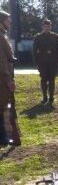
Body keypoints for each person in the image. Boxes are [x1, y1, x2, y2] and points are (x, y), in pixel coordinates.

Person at [33, 18, 58, 105]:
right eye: (45, 26)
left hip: (53, 62)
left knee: (52, 80)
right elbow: (34, 51)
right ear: (42, 27)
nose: (47, 28)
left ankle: (51, 97)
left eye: (48, 26)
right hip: (42, 62)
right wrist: (36, 63)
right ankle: (44, 97)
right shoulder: (38, 37)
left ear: (50, 27)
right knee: (43, 80)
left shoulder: (55, 36)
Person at [0, 11, 16, 146]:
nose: (10, 22)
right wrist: (8, 80)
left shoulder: (2, 35)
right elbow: (2, 61)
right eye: (7, 20)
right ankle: (2, 137)